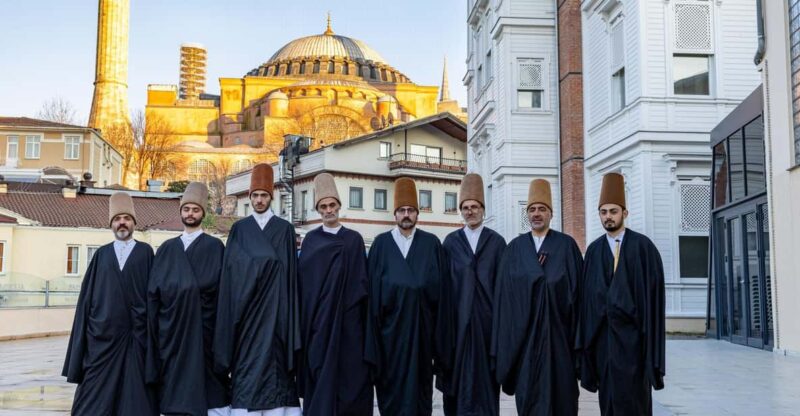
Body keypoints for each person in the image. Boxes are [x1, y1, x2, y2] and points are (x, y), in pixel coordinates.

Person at [213, 163, 302, 416]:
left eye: (264, 195)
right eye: (255, 196)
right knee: (246, 376)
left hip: (276, 319)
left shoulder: (285, 229)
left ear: (271, 197)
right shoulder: (239, 230)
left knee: (278, 380)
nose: (259, 200)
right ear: (249, 198)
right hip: (246, 319)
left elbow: (289, 278)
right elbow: (231, 275)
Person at [492, 179, 583, 415]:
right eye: (532, 209)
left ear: (551, 213)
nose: (536, 214)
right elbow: (505, 300)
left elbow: (579, 299)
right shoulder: (514, 249)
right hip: (525, 345)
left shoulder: (566, 246)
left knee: (562, 401)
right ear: (527, 214)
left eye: (542, 209)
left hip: (560, 342)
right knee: (530, 400)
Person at [63, 192, 158, 415]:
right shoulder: (101, 255)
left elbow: (154, 296)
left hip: (136, 340)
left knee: (136, 400)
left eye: (126, 218)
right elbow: (87, 300)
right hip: (102, 340)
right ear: (111, 224)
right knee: (92, 401)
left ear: (134, 222)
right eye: (117, 219)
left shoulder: (146, 253)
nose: (122, 222)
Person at [578, 172, 665, 416]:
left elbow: (652, 300)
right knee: (609, 403)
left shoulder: (643, 248)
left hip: (634, 345)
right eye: (604, 212)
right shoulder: (594, 251)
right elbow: (587, 301)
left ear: (624, 213)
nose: (608, 217)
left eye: (613, 211)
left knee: (635, 401)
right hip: (604, 344)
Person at [146, 181, 230, 415]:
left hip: (204, 333)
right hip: (171, 332)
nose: (190, 214)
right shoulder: (167, 249)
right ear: (180, 212)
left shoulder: (215, 247)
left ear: (203, 213)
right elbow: (154, 293)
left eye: (195, 210)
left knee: (207, 389)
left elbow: (221, 292)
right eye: (186, 209)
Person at [365, 177, 447, 416]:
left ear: (418, 213)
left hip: (422, 340)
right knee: (391, 398)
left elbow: (441, 299)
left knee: (419, 399)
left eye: (411, 210)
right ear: (395, 214)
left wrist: (439, 348)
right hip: (389, 342)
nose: (406, 215)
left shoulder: (432, 245)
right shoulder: (380, 246)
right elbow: (371, 300)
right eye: (402, 210)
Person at [297, 173, 372, 415]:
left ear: (339, 206)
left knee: (351, 380)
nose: (328, 210)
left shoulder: (353, 240)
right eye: (323, 207)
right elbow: (305, 287)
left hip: (349, 326)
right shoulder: (311, 241)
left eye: (332, 205)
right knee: (320, 379)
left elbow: (362, 285)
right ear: (318, 210)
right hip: (319, 325)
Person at [437, 173, 506, 416]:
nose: (470, 212)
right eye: (465, 208)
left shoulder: (497, 243)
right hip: (457, 331)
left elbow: (503, 290)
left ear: (483, 210)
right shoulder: (450, 243)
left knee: (486, 390)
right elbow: (443, 289)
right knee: (457, 391)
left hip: (487, 330)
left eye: (474, 207)